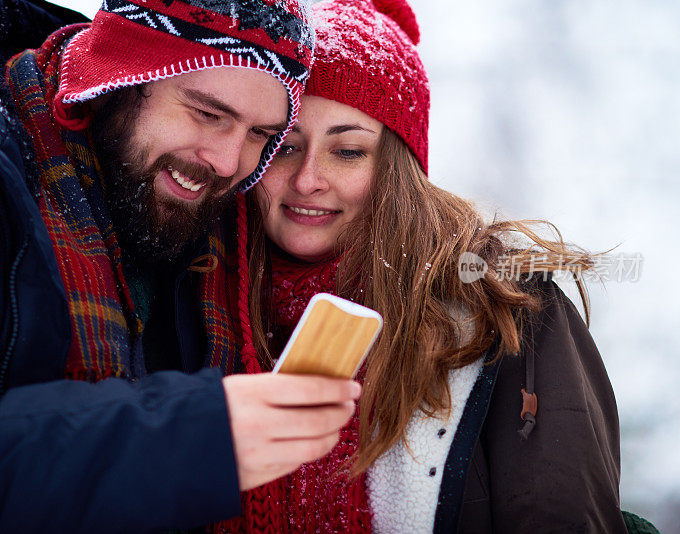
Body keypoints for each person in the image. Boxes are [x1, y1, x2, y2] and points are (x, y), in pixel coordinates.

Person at [0, 0, 362, 531]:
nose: (227, 162)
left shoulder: (210, 211)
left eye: (260, 136)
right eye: (207, 113)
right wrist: (188, 440)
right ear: (120, 77)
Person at [200, 0, 627, 531]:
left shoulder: (502, 310)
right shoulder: (197, 300)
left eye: (348, 151)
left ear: (396, 170)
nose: (308, 179)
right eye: (285, 148)